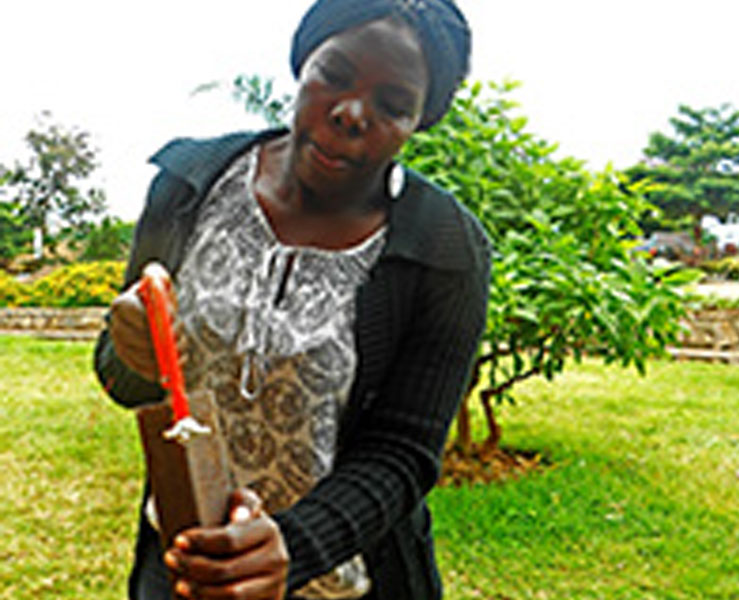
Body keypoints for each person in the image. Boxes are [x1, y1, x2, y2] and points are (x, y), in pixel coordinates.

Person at [94, 0, 490, 598]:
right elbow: (122, 378)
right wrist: (133, 350)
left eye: (392, 106)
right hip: (183, 568)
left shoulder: (443, 249)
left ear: (421, 121)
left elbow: (405, 451)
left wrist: (292, 545)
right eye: (334, 75)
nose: (352, 113)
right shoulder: (187, 187)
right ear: (303, 61)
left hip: (348, 584)